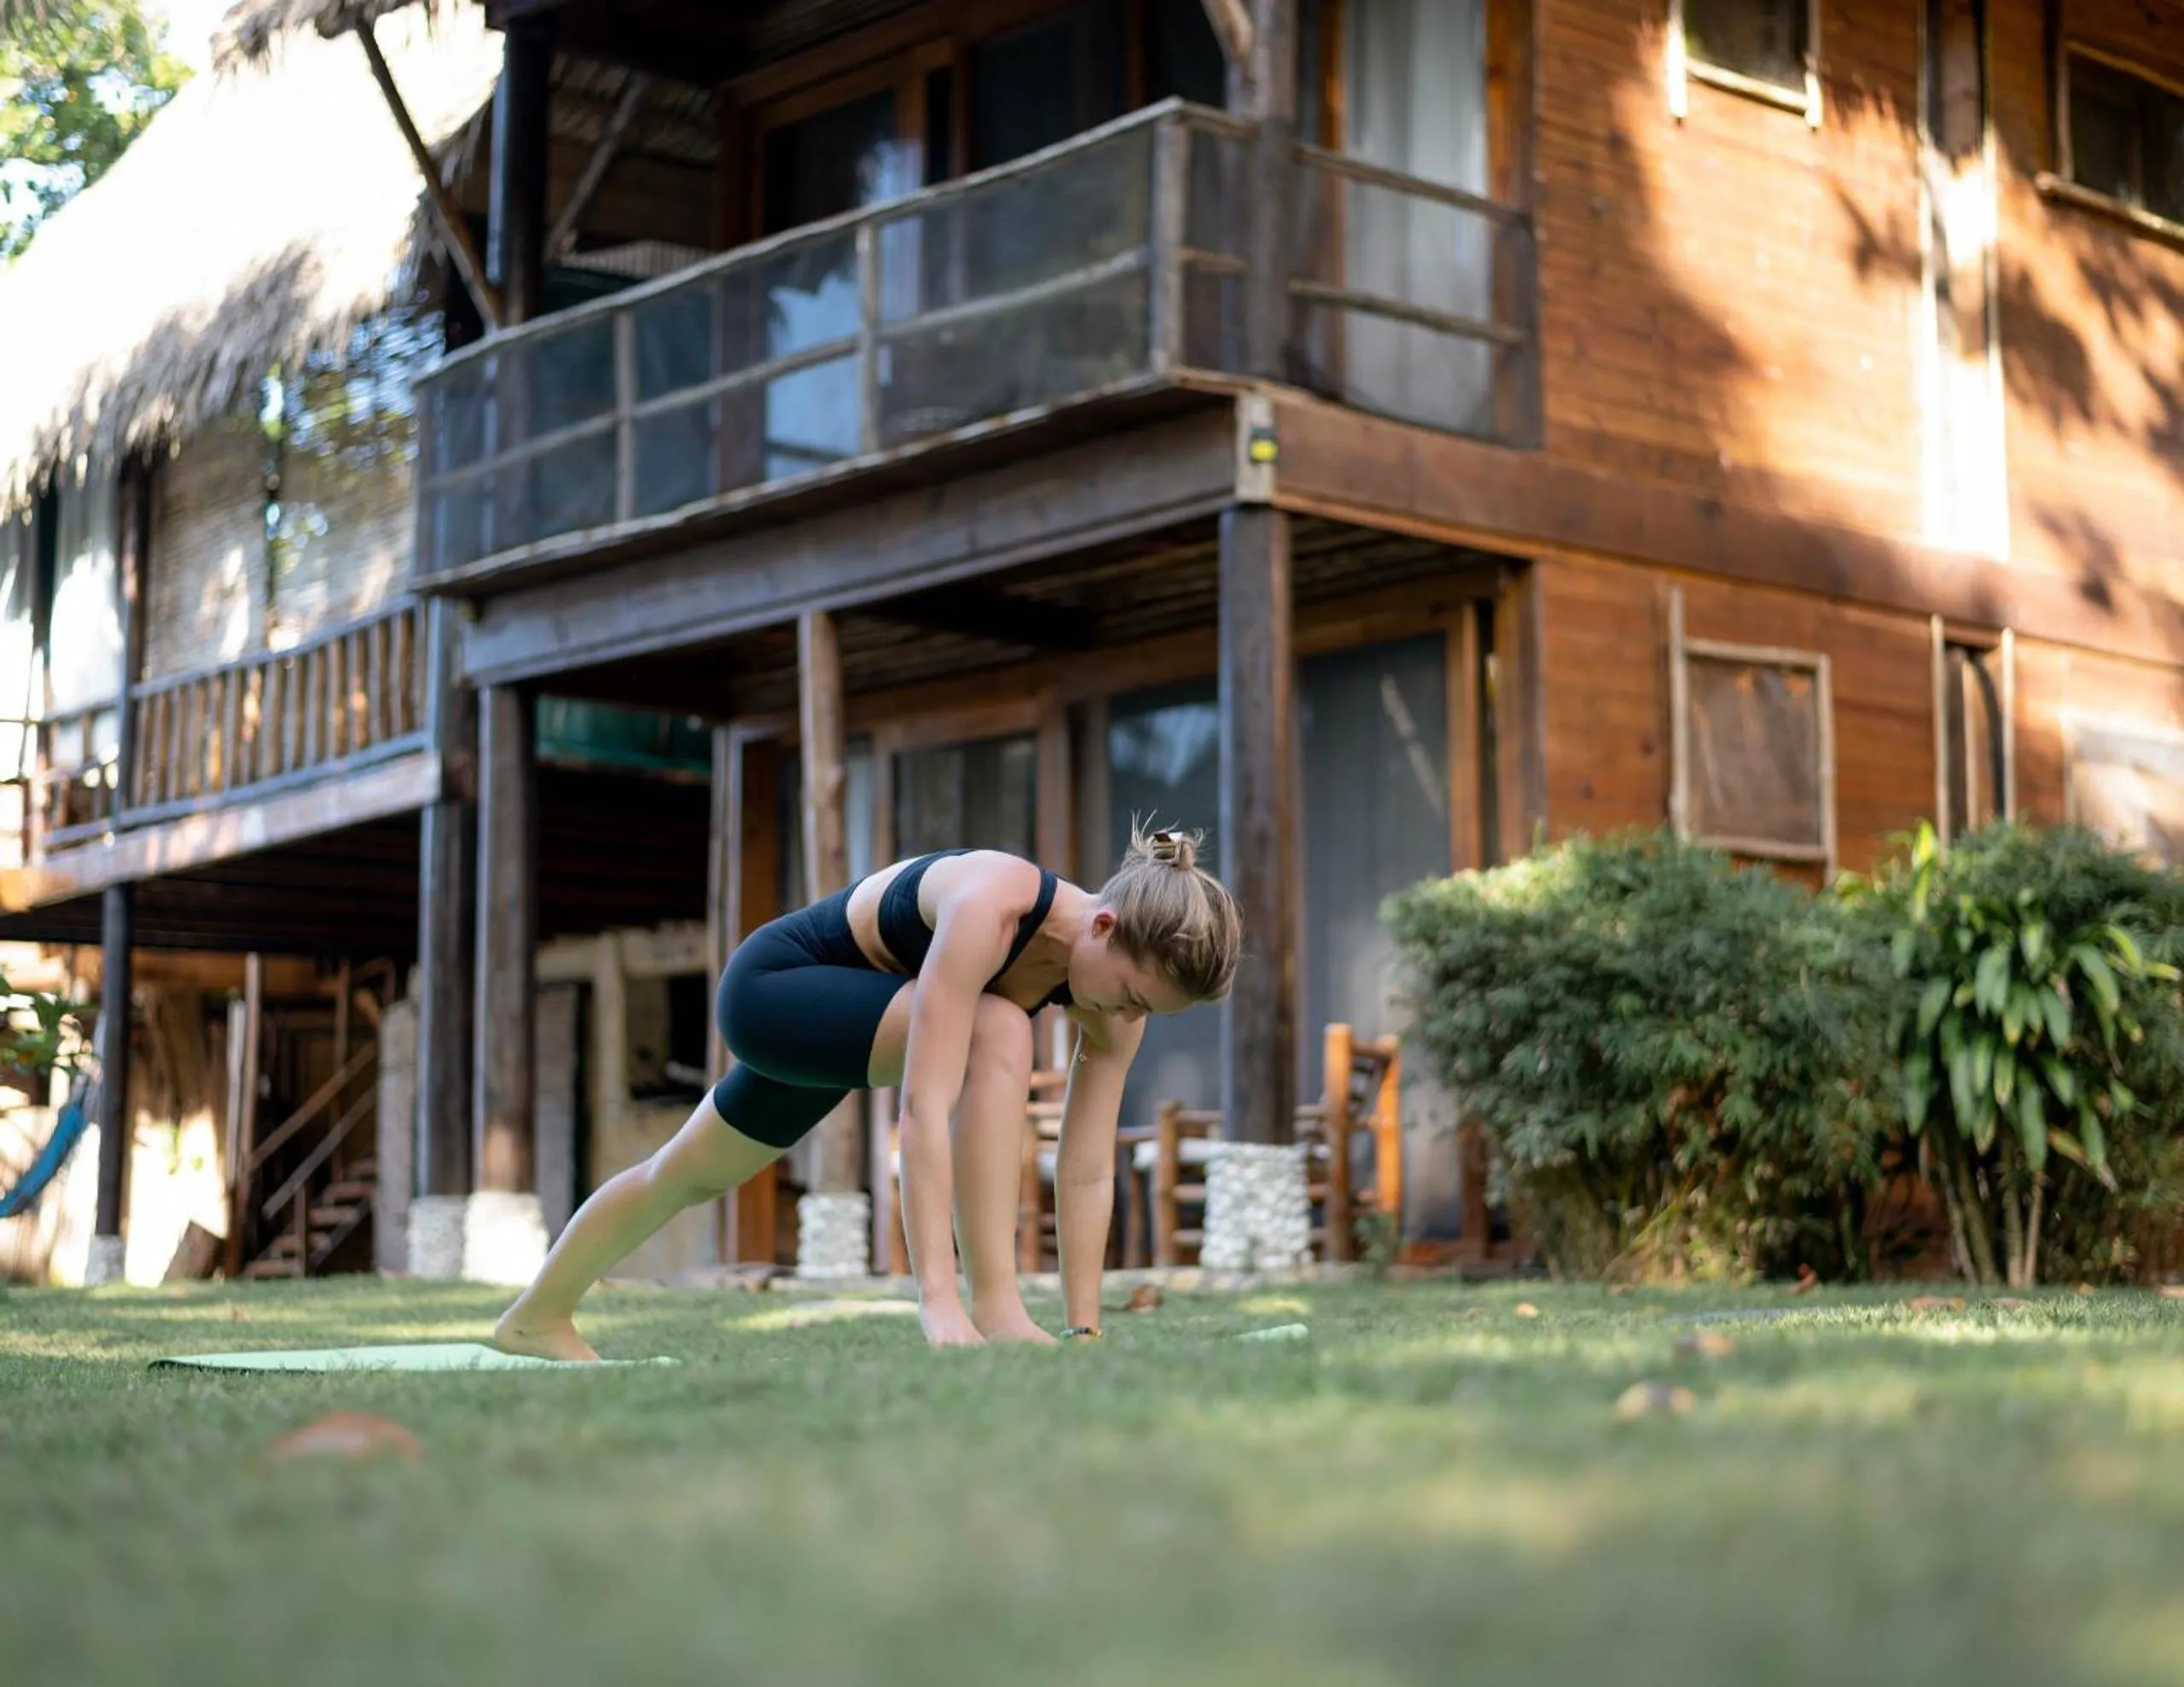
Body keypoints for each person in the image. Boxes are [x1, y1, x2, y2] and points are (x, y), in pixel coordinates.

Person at [493, 825, 1242, 1358]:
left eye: (1146, 1013)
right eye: (1131, 999)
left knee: (681, 1176)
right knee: (1002, 1029)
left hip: (855, 1023)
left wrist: (1085, 1329)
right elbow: (921, 1110)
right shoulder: (993, 905)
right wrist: (938, 1303)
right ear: (1105, 925)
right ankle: (992, 1306)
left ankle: (536, 1317)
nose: (1125, 1020)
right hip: (776, 993)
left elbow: (1084, 1169)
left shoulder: (1113, 997)